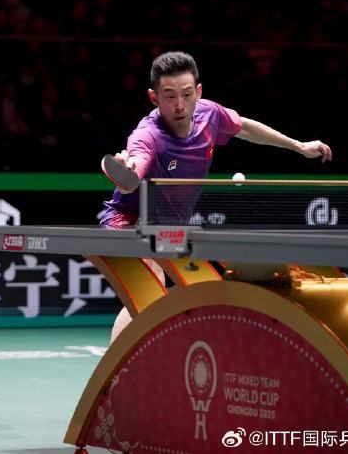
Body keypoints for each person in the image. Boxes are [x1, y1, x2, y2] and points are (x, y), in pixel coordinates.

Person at [99, 51, 331, 342]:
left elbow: (244, 127)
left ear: (198, 92)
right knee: (150, 285)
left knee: (208, 285)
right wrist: (127, 171)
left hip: (167, 227)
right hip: (128, 222)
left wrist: (298, 146)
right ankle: (120, 363)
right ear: (153, 97)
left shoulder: (209, 114)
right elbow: (134, 170)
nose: (179, 105)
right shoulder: (148, 135)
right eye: (169, 96)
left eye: (186, 94)